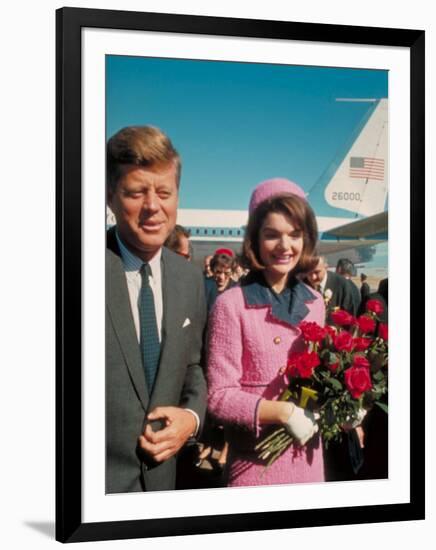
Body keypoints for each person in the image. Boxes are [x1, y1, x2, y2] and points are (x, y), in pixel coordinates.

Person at [106, 125, 207, 493]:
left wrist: (191, 419)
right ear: (110, 195)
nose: (153, 206)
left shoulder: (189, 279)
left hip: (163, 488)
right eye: (136, 192)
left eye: (164, 192)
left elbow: (193, 366)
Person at [207, 178, 325, 487]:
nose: (285, 246)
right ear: (255, 240)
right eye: (272, 235)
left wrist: (348, 403)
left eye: (294, 235)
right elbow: (219, 397)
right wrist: (283, 412)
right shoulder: (231, 304)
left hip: (310, 460)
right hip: (255, 466)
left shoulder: (315, 304)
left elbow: (321, 377)